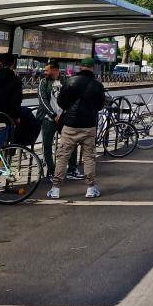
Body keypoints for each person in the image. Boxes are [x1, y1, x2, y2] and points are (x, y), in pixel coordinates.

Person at [47, 57, 105, 199]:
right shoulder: (98, 85)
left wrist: (70, 109)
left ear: (80, 67)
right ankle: (91, 188)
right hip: (89, 125)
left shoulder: (70, 81)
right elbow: (100, 106)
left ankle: (55, 189)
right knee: (89, 157)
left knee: (62, 157)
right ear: (92, 68)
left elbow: (61, 101)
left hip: (70, 125)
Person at [36, 61, 81, 180]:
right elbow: (42, 100)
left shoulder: (66, 81)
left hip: (64, 118)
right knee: (47, 146)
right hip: (48, 119)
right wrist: (53, 114)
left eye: (47, 70)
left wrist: (66, 113)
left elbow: (72, 98)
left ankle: (72, 169)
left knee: (71, 143)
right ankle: (51, 171)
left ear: (55, 70)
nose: (44, 72)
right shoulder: (43, 82)